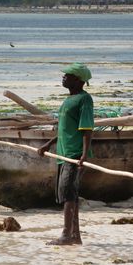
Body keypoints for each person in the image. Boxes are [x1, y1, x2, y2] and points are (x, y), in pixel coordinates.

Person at [38, 63, 94, 245]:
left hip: (75, 154)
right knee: (70, 193)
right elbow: (63, 130)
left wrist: (84, 155)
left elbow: (87, 129)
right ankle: (75, 236)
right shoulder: (68, 101)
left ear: (78, 80)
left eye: (67, 76)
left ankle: (66, 235)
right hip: (63, 154)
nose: (63, 78)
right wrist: (48, 145)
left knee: (67, 192)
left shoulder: (84, 100)